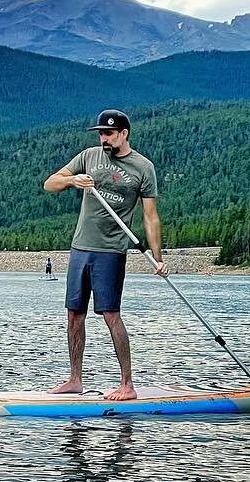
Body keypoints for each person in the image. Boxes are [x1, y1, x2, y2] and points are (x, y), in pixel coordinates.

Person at [42, 108, 166, 401]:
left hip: (111, 251)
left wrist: (158, 257)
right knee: (74, 314)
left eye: (108, 133)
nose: (103, 139)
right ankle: (75, 380)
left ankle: (127, 385)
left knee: (111, 314)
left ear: (124, 134)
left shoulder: (143, 167)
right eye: (100, 133)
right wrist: (73, 181)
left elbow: (151, 217)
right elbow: (50, 183)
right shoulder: (88, 157)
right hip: (80, 248)